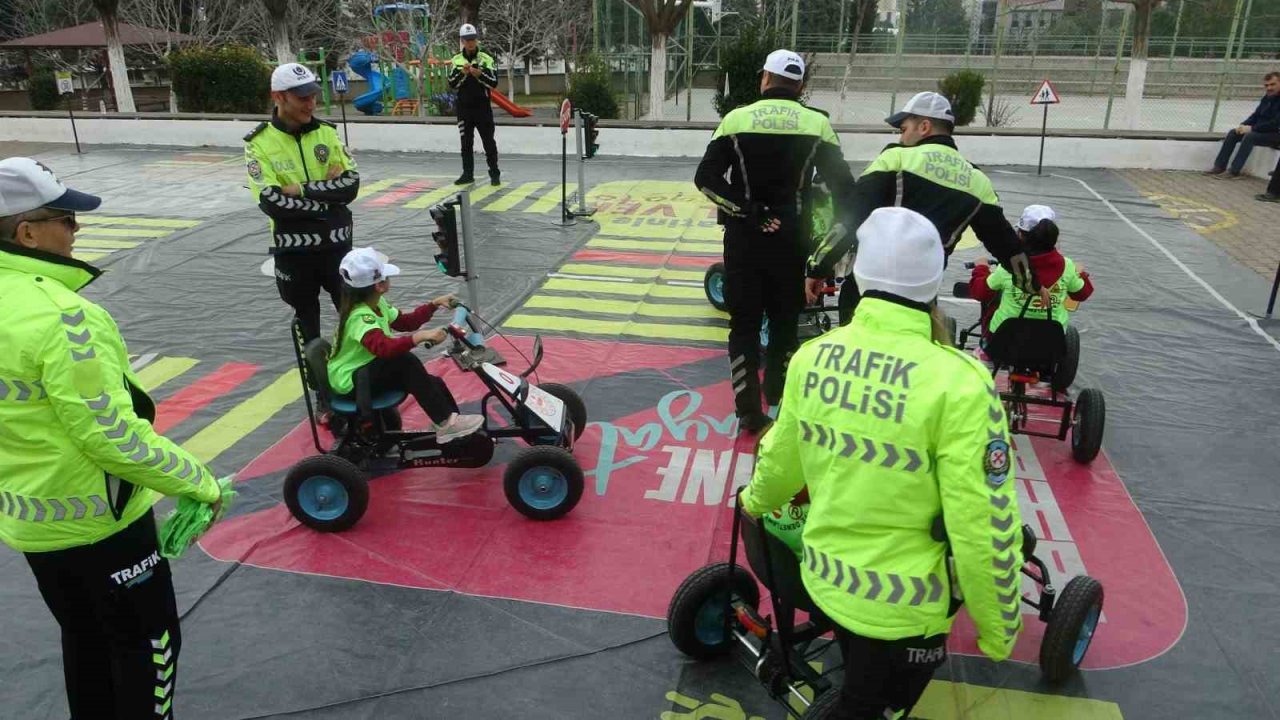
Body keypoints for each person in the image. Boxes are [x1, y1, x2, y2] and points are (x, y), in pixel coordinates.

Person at [740, 206, 1024, 720]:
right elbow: (982, 522)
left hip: (821, 577)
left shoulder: (814, 357)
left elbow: (780, 465)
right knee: (880, 704)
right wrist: (999, 626)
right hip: (903, 612)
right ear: (933, 282)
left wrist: (753, 503)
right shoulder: (959, 382)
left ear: (860, 275)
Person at [0, 157, 224, 718]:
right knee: (149, 649)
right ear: (28, 232)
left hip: (32, 524)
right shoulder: (64, 316)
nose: (77, 230)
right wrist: (199, 483)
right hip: (104, 525)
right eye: (67, 219)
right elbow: (111, 437)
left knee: (85, 641)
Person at [693, 49, 857, 434]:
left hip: (744, 241)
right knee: (785, 324)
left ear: (764, 79)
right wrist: (823, 256)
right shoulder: (817, 125)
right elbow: (847, 195)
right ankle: (780, 399)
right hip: (793, 242)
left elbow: (706, 179)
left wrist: (749, 211)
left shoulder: (736, 119)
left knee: (744, 326)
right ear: (800, 86)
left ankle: (749, 413)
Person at [804, 91, 1033, 326]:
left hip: (870, 285)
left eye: (903, 129)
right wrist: (1031, 284)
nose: (902, 138)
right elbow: (1006, 244)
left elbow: (850, 218)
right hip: (921, 294)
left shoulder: (895, 158)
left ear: (924, 126)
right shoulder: (977, 181)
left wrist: (818, 267)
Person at [245, 61, 360, 345]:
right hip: (294, 252)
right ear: (278, 97)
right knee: (309, 327)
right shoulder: (258, 143)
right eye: (302, 98)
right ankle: (318, 385)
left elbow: (350, 186)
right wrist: (328, 201)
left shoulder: (327, 133)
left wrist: (300, 190)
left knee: (355, 318)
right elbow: (272, 202)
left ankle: (359, 379)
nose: (311, 104)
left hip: (337, 245)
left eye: (313, 96)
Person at [326, 247, 485, 443]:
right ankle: (446, 423)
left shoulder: (377, 304)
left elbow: (406, 322)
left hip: (367, 372)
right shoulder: (360, 317)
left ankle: (453, 427)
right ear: (379, 285)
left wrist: (434, 304)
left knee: (433, 382)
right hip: (352, 382)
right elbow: (383, 348)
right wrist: (418, 338)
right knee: (405, 361)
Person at [968, 204, 1095, 343]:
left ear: (1020, 235)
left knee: (992, 302)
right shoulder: (1067, 266)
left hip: (1006, 342)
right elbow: (1082, 294)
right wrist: (1080, 273)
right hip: (1050, 344)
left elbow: (979, 292)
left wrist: (981, 268)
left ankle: (985, 352)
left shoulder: (1010, 266)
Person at [448, 23, 501, 186]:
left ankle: (494, 173)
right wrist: (462, 73)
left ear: (476, 39)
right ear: (462, 41)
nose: (470, 42)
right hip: (464, 109)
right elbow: (451, 83)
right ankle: (467, 174)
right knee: (466, 143)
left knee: (488, 142)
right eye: (467, 40)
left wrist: (480, 74)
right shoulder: (456, 60)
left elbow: (494, 83)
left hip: (482, 108)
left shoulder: (486, 58)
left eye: (472, 39)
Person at [1204, 72, 1280, 179]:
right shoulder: (1267, 97)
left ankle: (1234, 171)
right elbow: (1256, 115)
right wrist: (1244, 125)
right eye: (1266, 85)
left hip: (1276, 133)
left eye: (1273, 84)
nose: (1269, 88)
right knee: (1233, 133)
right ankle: (1219, 166)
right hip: (1263, 131)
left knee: (1250, 136)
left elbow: (1275, 123)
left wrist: (1252, 128)